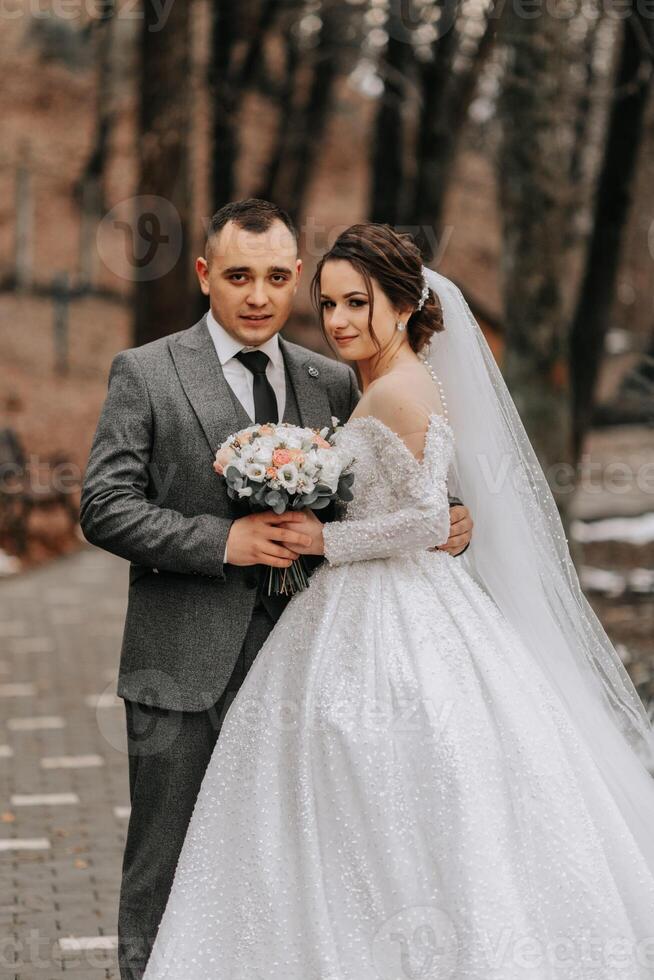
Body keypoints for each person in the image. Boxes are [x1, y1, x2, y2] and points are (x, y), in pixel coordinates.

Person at [139, 222, 654, 980]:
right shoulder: (384, 382)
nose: (341, 320)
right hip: (377, 603)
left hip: (387, 612)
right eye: (330, 304)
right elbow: (429, 506)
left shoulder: (398, 389)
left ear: (408, 304)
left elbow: (417, 520)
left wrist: (321, 541)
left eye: (359, 302)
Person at [79, 201, 473, 980]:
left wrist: (458, 522)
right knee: (165, 867)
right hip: (184, 669)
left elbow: (406, 493)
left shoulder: (335, 378)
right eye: (236, 277)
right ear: (204, 277)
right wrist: (222, 540)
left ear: (296, 277)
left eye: (274, 278)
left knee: (289, 873)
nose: (257, 296)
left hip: (316, 667)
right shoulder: (147, 373)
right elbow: (104, 504)